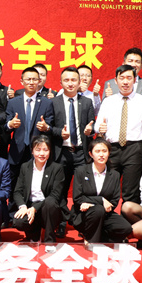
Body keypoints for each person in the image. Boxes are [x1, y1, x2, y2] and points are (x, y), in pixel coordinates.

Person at [95, 64, 142, 204]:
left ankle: (129, 217)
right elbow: (97, 126)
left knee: (130, 191)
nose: (125, 82)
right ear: (116, 80)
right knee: (108, 188)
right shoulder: (108, 101)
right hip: (112, 149)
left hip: (134, 149)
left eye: (129, 78)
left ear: (134, 80)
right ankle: (108, 216)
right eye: (122, 78)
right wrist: (100, 128)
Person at [51, 66, 96, 233]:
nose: (70, 83)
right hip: (61, 152)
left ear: (79, 82)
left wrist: (90, 131)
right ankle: (61, 223)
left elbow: (91, 125)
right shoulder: (54, 102)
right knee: (60, 190)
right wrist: (59, 133)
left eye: (73, 80)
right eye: (66, 80)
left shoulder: (87, 102)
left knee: (82, 190)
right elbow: (49, 127)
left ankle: (80, 222)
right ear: (61, 82)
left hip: (80, 153)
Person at [71, 137, 133, 245]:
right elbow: (77, 197)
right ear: (91, 154)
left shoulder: (114, 174)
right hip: (84, 214)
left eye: (104, 151)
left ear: (109, 153)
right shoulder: (81, 171)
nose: (101, 155)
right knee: (98, 210)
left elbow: (114, 200)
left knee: (126, 228)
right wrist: (101, 200)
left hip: (105, 214)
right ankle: (91, 240)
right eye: (97, 151)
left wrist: (92, 202)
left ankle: (99, 236)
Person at [4, 66, 54, 183]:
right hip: (17, 151)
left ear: (39, 81)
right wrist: (11, 124)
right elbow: (6, 127)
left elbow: (51, 127)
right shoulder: (13, 102)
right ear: (22, 81)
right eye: (28, 79)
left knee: (34, 183)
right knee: (14, 183)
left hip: (37, 151)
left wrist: (45, 127)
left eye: (34, 79)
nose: (31, 82)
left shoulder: (47, 103)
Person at [12, 135, 65, 243]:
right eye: (38, 149)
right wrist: (23, 207)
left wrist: (34, 208)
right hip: (30, 205)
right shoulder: (25, 167)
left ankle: (49, 239)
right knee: (18, 221)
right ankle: (34, 231)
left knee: (50, 203)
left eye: (45, 150)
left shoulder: (57, 168)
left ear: (50, 151)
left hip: (49, 208)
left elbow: (55, 195)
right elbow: (17, 191)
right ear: (32, 151)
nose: (41, 153)